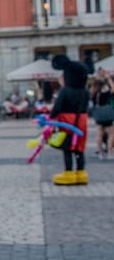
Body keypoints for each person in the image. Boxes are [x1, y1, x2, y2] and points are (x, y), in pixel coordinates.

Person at [50, 55, 90, 185]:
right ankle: (81, 173)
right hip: (82, 120)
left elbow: (57, 108)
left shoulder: (65, 90)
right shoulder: (85, 91)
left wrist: (50, 118)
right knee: (79, 147)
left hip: (67, 120)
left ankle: (68, 173)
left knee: (67, 147)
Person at [90, 67, 113, 160]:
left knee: (99, 133)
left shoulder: (95, 86)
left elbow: (91, 95)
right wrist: (109, 78)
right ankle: (110, 152)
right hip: (106, 112)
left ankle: (100, 153)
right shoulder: (105, 87)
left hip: (98, 112)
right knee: (111, 133)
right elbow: (113, 89)